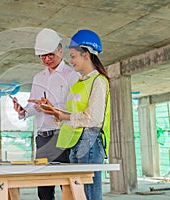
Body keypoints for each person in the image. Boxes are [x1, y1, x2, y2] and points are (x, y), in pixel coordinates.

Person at [41, 29, 110, 200]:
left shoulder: (98, 81)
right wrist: (55, 112)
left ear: (86, 54)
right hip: (75, 142)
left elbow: (93, 118)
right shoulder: (78, 83)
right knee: (76, 194)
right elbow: (74, 114)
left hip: (90, 143)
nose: (70, 61)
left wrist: (65, 117)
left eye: (73, 56)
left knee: (89, 195)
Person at [12, 28, 79, 200]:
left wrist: (53, 109)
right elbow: (34, 103)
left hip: (63, 137)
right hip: (42, 138)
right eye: (42, 56)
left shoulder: (72, 76)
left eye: (50, 55)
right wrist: (24, 111)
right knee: (43, 188)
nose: (46, 59)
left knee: (67, 186)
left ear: (60, 51)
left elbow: (76, 111)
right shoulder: (38, 77)